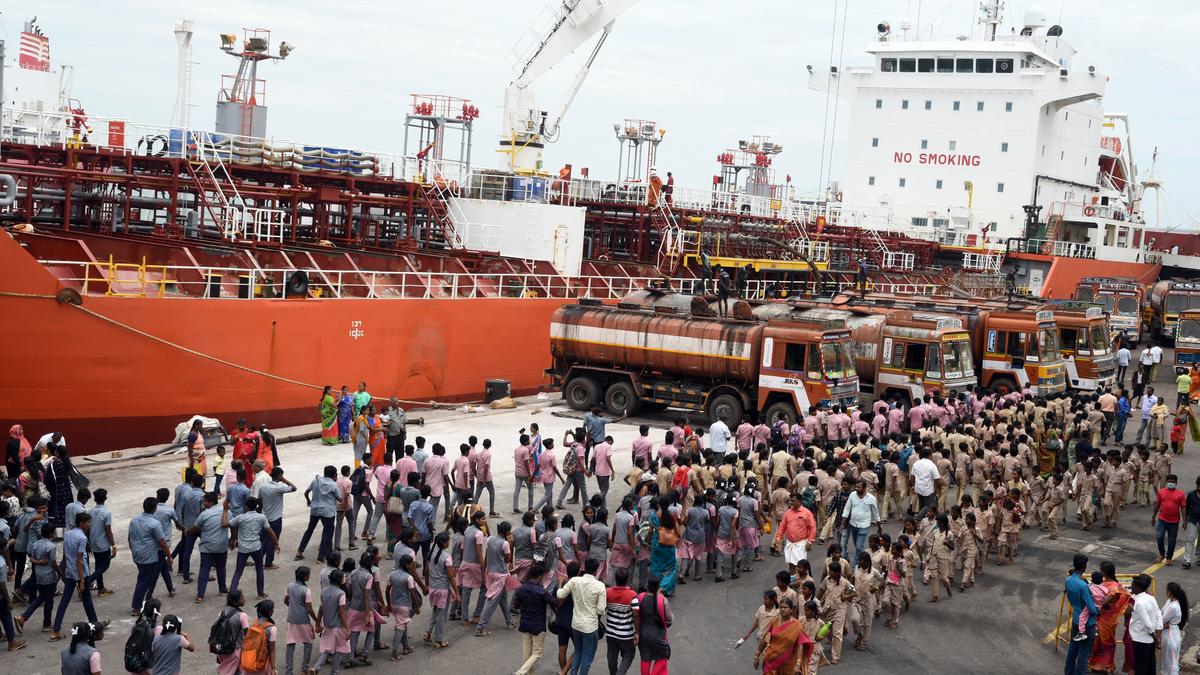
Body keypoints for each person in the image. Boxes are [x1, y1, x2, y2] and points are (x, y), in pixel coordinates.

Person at [557, 557, 607, 675]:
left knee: (578, 651)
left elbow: (560, 594)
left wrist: (559, 584)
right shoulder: (600, 586)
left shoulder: (574, 581)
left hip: (576, 624)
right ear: (596, 571)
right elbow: (600, 610)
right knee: (586, 658)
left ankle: (573, 673)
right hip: (590, 627)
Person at [129, 496, 172, 617]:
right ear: (154, 508)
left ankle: (146, 600)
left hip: (137, 554)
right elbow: (162, 542)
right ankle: (136, 607)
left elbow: (129, 537)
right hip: (149, 556)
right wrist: (169, 556)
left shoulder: (134, 520)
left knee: (147, 578)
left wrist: (133, 551)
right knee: (143, 581)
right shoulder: (154, 523)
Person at [229, 496, 279, 600]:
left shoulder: (240, 517)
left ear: (246, 506)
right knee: (259, 570)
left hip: (243, 548)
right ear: (256, 506)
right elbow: (270, 532)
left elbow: (230, 524)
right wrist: (276, 543)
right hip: (256, 547)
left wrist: (233, 539)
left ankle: (232, 595)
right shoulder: (261, 517)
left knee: (238, 572)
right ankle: (260, 594)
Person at [1086, 561, 1131, 672]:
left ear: (1105, 572)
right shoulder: (1104, 585)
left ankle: (1107, 665)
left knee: (1107, 643)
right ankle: (1094, 664)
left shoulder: (1115, 587)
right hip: (1102, 619)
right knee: (1096, 642)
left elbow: (1112, 598)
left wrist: (1100, 605)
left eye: (1101, 570)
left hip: (1106, 620)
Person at [512, 563, 554, 675]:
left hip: (524, 623)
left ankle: (528, 673)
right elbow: (555, 603)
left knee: (527, 651)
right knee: (537, 653)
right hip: (538, 625)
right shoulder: (543, 592)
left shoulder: (521, 589)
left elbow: (515, 606)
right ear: (540, 577)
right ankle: (520, 673)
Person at [754, 597, 813, 675]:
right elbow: (765, 639)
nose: (783, 609)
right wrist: (757, 655)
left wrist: (798, 663)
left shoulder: (797, 625)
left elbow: (800, 645)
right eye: (781, 607)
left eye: (785, 607)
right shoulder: (774, 621)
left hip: (788, 662)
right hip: (771, 658)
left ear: (791, 610)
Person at [189, 491, 230, 603]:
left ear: (211, 502)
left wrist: (188, 531)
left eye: (205, 502)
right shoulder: (225, 512)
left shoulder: (204, 515)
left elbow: (196, 527)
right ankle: (222, 588)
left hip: (207, 546)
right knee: (221, 568)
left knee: (204, 570)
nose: (204, 503)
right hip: (221, 545)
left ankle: (200, 595)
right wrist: (233, 539)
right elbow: (231, 525)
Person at [387, 553, 427, 660]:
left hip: (394, 604)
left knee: (402, 624)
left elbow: (387, 590)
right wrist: (417, 606)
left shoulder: (392, 574)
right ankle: (394, 652)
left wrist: (388, 604)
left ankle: (406, 647)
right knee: (400, 628)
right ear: (408, 565)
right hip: (404, 605)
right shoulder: (409, 577)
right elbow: (412, 593)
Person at [1063, 553, 1098, 675]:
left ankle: (1068, 672)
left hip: (1076, 618)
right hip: (1087, 622)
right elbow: (1091, 608)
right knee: (1084, 651)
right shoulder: (1083, 585)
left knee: (1073, 647)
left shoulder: (1068, 580)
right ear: (1084, 566)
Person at [297, 466, 340, 563]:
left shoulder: (315, 481)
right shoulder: (333, 484)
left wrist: (309, 501)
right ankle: (321, 557)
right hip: (328, 511)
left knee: (309, 530)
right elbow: (339, 498)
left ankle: (300, 551)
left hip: (315, 509)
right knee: (327, 533)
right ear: (334, 475)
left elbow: (306, 492)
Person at [284, 566, 320, 675]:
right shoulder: (306, 590)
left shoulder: (290, 586)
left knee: (290, 644)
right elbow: (309, 608)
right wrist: (317, 620)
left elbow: (286, 600)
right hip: (303, 619)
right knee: (308, 644)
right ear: (305, 577)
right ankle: (304, 670)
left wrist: (292, 607)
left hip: (291, 619)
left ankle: (288, 671)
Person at [634, 576, 672, 675]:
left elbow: (636, 614)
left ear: (647, 586)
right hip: (658, 635)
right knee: (662, 657)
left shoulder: (640, 597)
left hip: (643, 634)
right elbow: (669, 619)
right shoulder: (663, 600)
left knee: (645, 659)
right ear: (658, 587)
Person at [1128, 573, 1162, 675]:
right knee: (1150, 667)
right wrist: (1157, 635)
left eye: (1133, 585)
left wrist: (1154, 636)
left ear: (1138, 587)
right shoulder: (1151, 598)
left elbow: (1147, 624)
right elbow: (1158, 615)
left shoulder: (1139, 603)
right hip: (1149, 641)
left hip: (1140, 639)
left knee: (1140, 668)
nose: (1131, 586)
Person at [1153, 474, 1187, 565]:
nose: (1171, 483)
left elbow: (1183, 508)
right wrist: (1153, 517)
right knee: (1159, 536)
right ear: (1167, 482)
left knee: (1172, 540)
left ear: (1176, 483)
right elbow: (1157, 505)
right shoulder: (1161, 492)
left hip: (1174, 521)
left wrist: (1184, 520)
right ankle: (1162, 554)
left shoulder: (1180, 494)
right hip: (1162, 519)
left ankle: (1169, 557)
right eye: (1170, 481)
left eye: (1173, 482)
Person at [649, 503, 682, 596]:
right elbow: (677, 531)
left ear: (659, 505)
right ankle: (665, 588)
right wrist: (677, 537)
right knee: (672, 568)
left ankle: (655, 588)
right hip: (669, 545)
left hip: (657, 544)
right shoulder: (672, 515)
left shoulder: (653, 516)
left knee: (656, 567)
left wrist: (648, 541)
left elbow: (650, 531)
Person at [1160, 581, 1188, 675]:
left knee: (1171, 662)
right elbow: (1161, 614)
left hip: (1170, 635)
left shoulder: (1174, 606)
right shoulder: (1169, 601)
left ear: (1170, 592)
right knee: (1168, 661)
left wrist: (1163, 623)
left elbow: (1161, 620)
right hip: (1168, 633)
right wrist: (1163, 622)